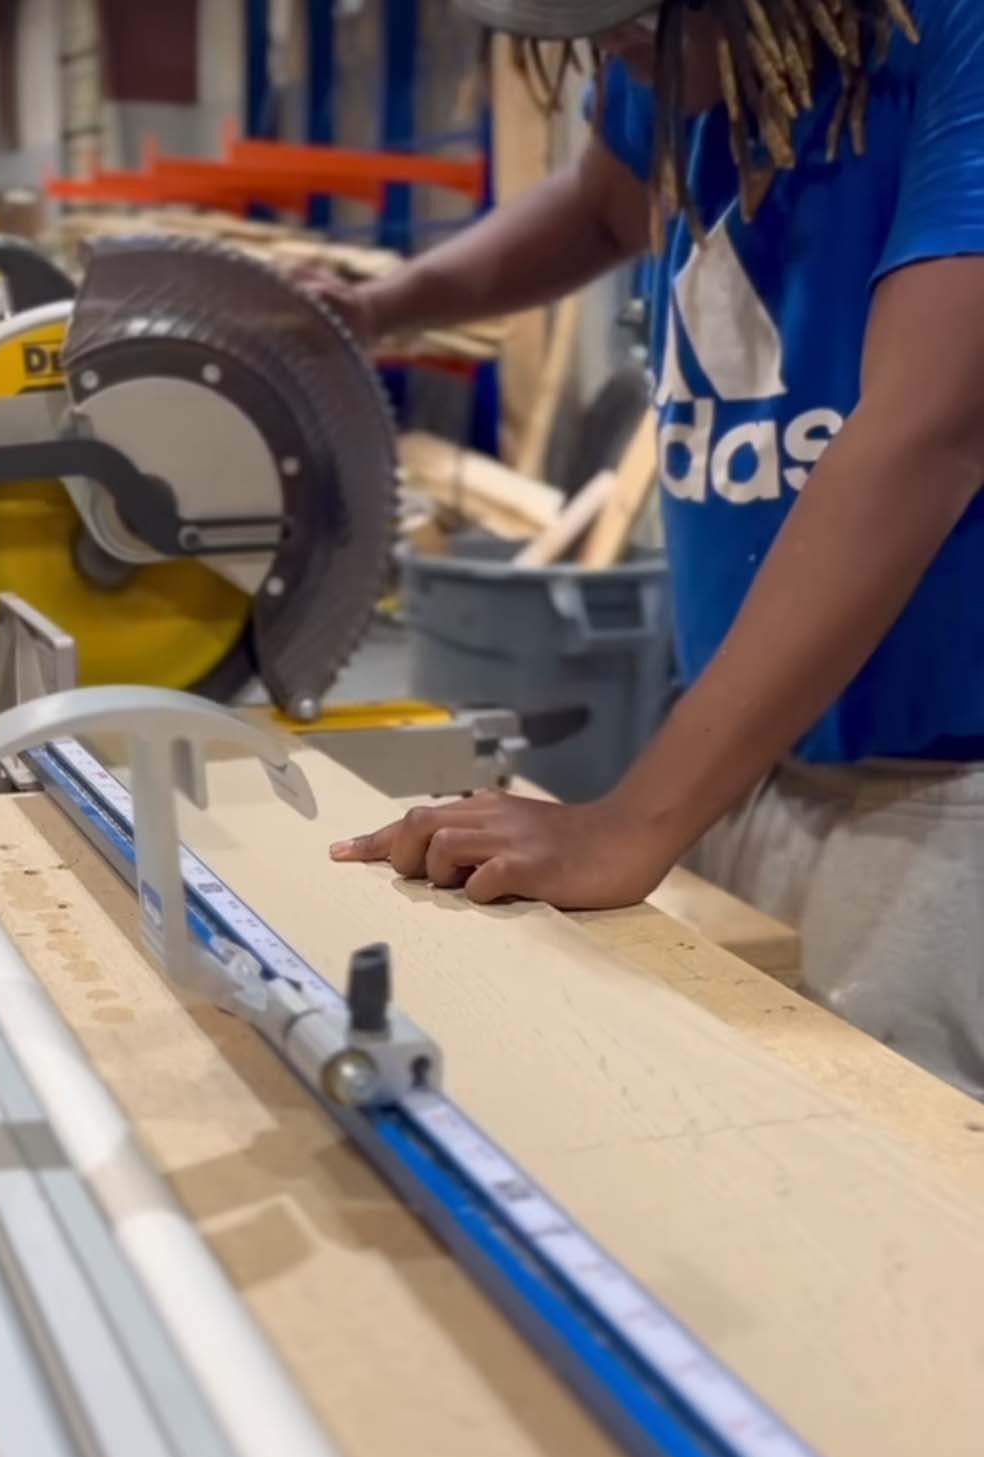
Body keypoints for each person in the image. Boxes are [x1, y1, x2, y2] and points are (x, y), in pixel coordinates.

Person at [325, 0, 984, 1098]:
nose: (615, 61)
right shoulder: (666, 51)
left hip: (948, 800)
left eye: (638, 24)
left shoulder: (948, 30)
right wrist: (389, 306)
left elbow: (932, 427)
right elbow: (597, 210)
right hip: (762, 762)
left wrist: (628, 820)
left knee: (902, 1213)